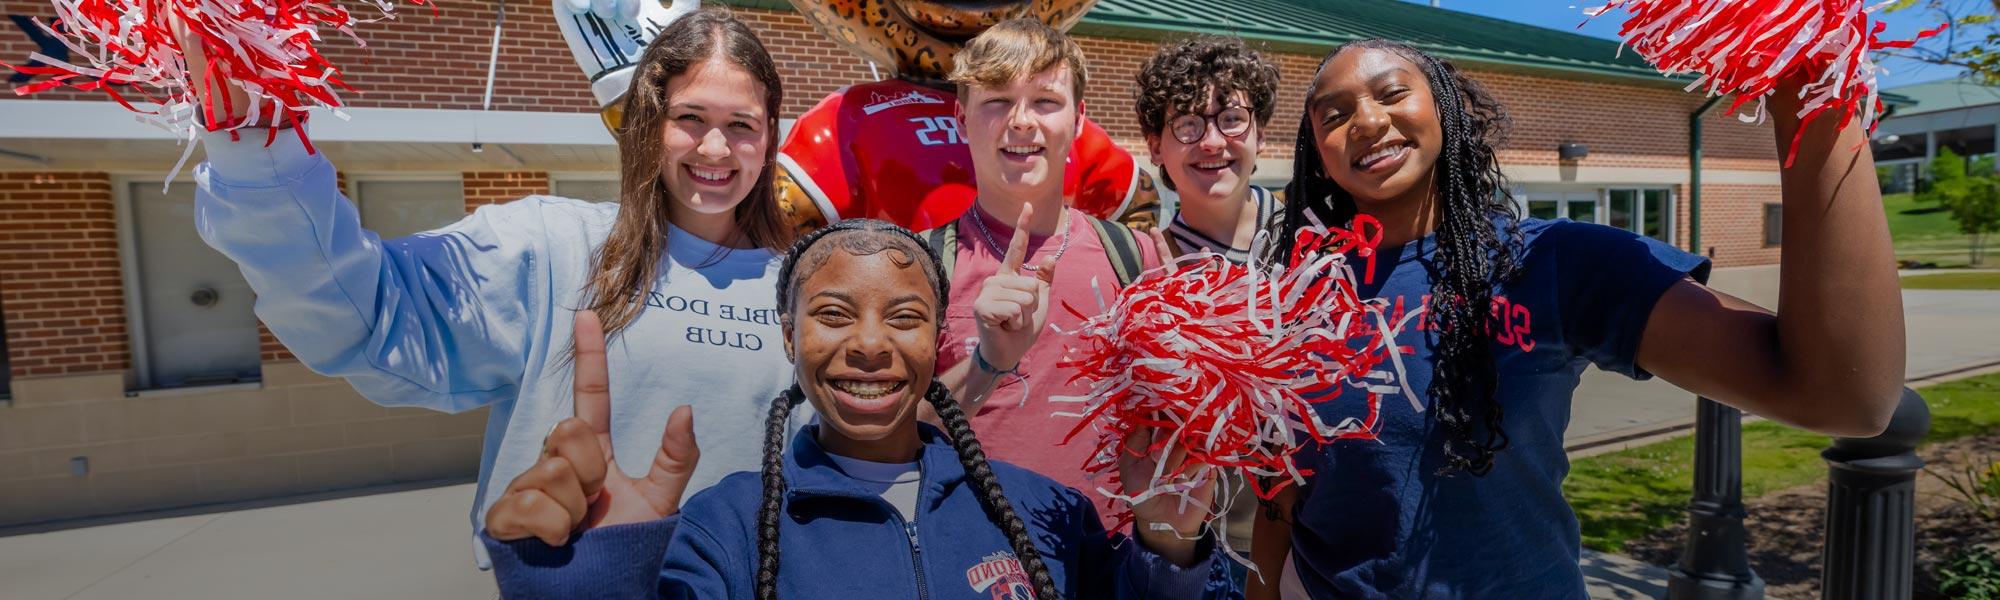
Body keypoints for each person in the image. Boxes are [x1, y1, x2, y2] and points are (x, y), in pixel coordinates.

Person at [1249, 39, 1905, 598]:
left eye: (1391, 93)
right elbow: (1285, 487)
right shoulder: (1301, 293)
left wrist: (1812, 84)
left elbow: (1841, 397)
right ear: (1318, 153)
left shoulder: (1551, 262)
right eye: (1333, 116)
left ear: (1442, 107)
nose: (1364, 120)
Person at [186, 8, 808, 564]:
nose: (717, 146)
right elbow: (366, 311)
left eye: (743, 124)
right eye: (690, 117)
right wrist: (253, 142)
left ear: (770, 135)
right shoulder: (548, 244)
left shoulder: (808, 281)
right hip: (578, 583)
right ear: (649, 121)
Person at [480, 219, 1239, 599]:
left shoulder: (1044, 509)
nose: (870, 344)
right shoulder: (728, 529)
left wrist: (1169, 542)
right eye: (834, 313)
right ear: (788, 335)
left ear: (940, 337)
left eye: (905, 318)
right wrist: (603, 579)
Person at [925, 18, 1172, 513]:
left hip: (1112, 563)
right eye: (996, 100)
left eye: (1045, 101)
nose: (1021, 120)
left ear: (1078, 120)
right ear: (960, 118)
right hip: (975, 562)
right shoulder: (922, 264)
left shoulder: (1136, 257)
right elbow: (886, 436)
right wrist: (987, 366)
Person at [1133, 35, 1284, 263]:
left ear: (1260, 135)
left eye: (1232, 119)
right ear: (1156, 148)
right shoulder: (1149, 271)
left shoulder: (1314, 233)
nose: (1213, 143)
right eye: (1188, 124)